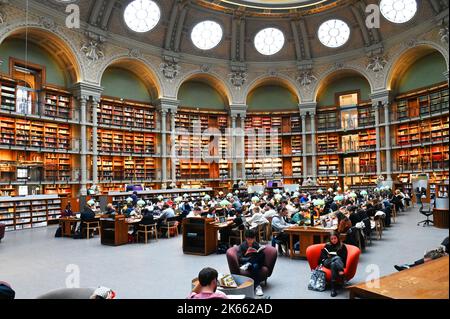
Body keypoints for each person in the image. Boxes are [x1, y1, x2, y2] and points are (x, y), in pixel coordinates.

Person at [318, 231, 348, 297]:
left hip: (337, 263)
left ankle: (333, 289)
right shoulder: (327, 245)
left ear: (338, 238)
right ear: (330, 239)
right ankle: (341, 271)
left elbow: (344, 258)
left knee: (334, 264)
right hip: (327, 262)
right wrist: (327, 256)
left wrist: (336, 257)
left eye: (335, 238)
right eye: (332, 239)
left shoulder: (342, 246)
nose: (333, 240)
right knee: (336, 258)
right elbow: (322, 257)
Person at [237, 229, 265, 297]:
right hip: (247, 263)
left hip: (255, 262)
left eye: (252, 239)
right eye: (249, 239)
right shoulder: (242, 246)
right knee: (254, 265)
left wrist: (260, 251)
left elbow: (261, 255)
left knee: (257, 260)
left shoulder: (256, 244)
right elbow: (240, 258)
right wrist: (248, 258)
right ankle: (258, 286)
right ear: (246, 238)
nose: (251, 241)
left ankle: (250, 263)